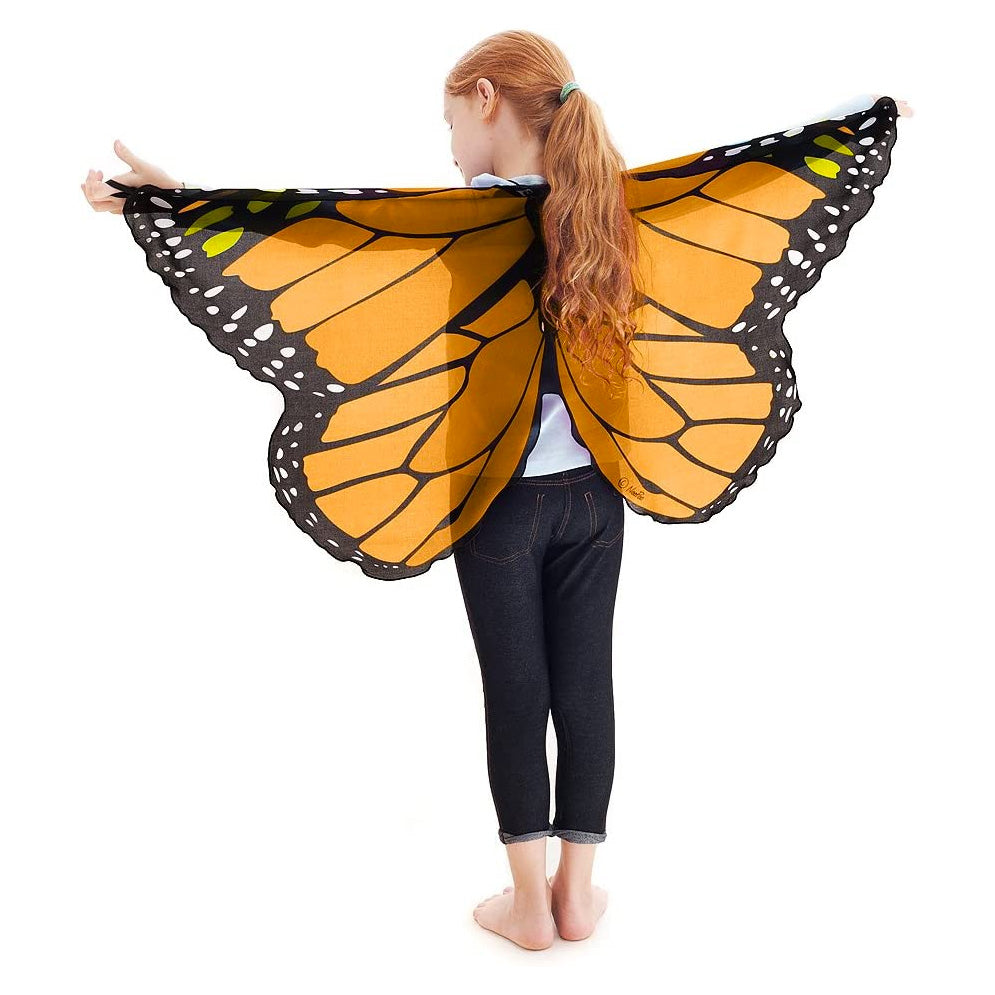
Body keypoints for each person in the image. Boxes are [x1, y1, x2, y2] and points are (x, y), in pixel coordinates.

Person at [82, 29, 913, 951]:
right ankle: (576, 892)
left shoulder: (450, 221)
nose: (445, 142)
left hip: (495, 503)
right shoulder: (612, 202)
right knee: (586, 679)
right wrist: (860, 125)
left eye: (447, 117)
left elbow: (303, 224)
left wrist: (173, 203)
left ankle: (524, 905)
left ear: (484, 99)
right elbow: (748, 171)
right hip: (598, 494)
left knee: (514, 688)